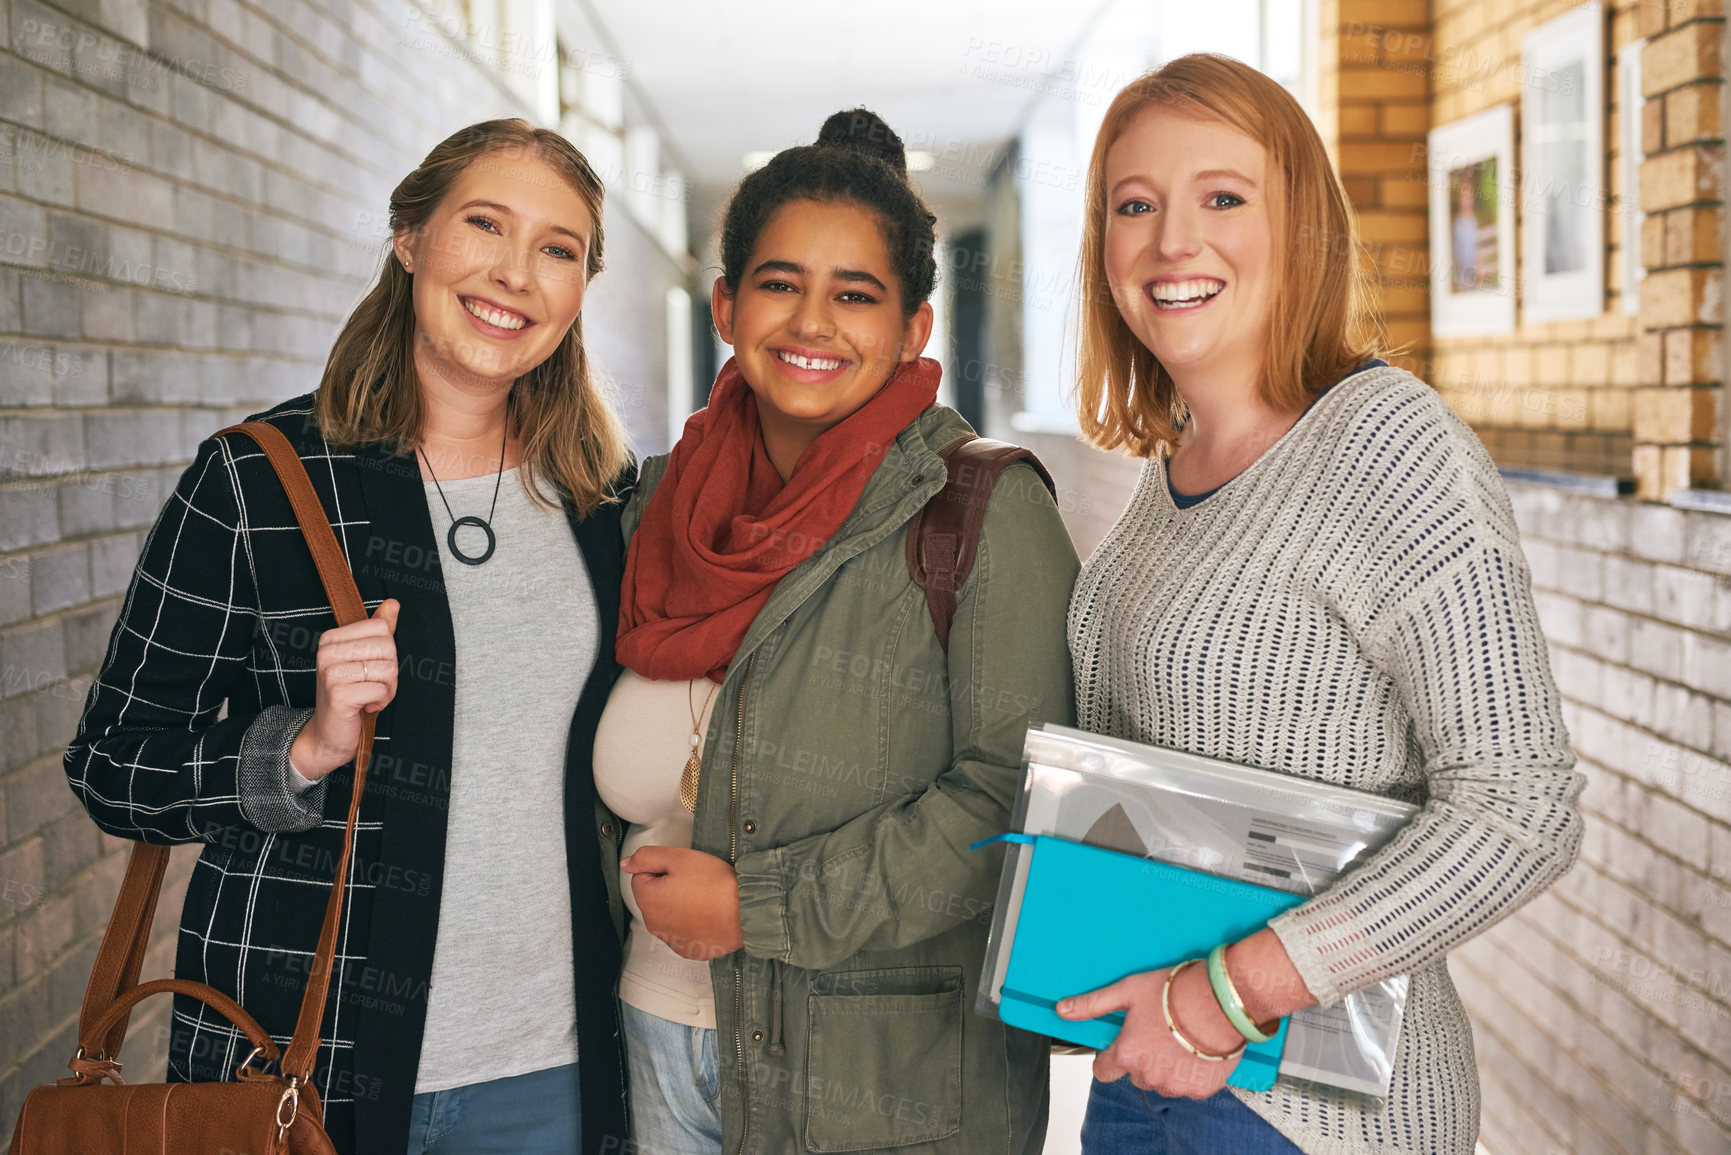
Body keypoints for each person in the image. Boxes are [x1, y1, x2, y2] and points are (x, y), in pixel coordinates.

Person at [64, 119, 635, 1155]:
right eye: (485, 225)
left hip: (551, 1074)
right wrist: (301, 750)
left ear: (582, 287)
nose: (517, 272)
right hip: (298, 1072)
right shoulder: (255, 484)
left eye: (559, 249)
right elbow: (111, 769)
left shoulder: (605, 502)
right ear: (409, 237)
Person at [1057, 55, 1583, 1155]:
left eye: (1223, 198)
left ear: (1301, 227)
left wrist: (1225, 997)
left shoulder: (1386, 446)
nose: (1171, 242)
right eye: (1135, 205)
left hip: (1319, 1117)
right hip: (1146, 1074)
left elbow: (1521, 808)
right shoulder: (1170, 472)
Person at [593, 108, 1078, 1154]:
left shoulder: (979, 513)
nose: (812, 323)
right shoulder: (656, 504)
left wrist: (756, 910)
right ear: (727, 305)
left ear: (913, 330)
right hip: (656, 1031)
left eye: (855, 295)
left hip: (878, 1087)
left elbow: (1011, 805)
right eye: (779, 284)